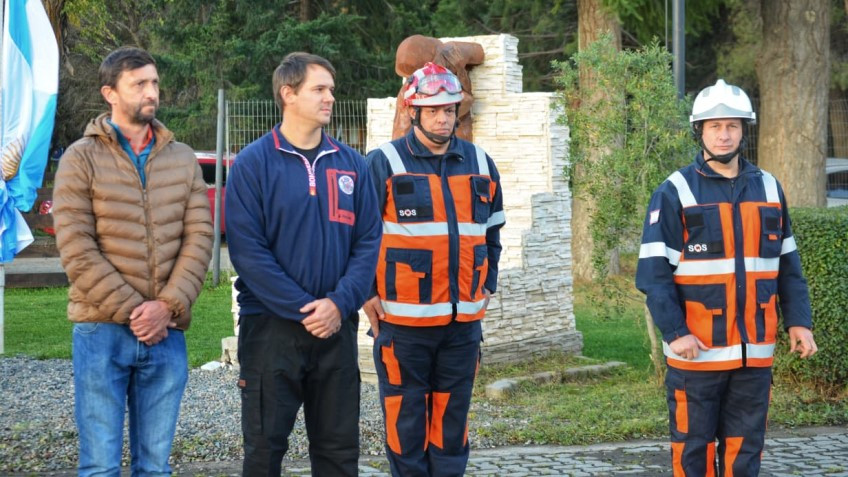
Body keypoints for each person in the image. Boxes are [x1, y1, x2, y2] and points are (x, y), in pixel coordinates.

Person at [636, 79, 818, 476]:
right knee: (693, 451)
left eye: (732, 126)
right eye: (715, 126)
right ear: (699, 131)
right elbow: (653, 274)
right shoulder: (675, 191)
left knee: (745, 451)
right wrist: (676, 333)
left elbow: (788, 268)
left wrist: (799, 322)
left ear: (743, 129)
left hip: (754, 353)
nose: (724, 134)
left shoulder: (769, 187)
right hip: (696, 352)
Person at [52, 46, 213, 476]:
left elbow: (200, 238)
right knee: (100, 466)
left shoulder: (182, 159)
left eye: (154, 82)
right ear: (109, 93)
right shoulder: (80, 158)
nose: (151, 92)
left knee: (156, 467)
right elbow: (76, 247)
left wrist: (167, 307)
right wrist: (137, 312)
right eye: (139, 83)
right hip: (101, 329)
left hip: (167, 332)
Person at [225, 52, 382, 476]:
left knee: (338, 452)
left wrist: (338, 304)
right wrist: (304, 308)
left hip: (336, 328)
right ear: (288, 94)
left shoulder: (352, 164)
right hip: (270, 329)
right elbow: (248, 251)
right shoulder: (253, 163)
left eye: (331, 89)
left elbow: (368, 242)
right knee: (264, 451)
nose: (330, 97)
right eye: (319, 89)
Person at [363, 62, 505, 477]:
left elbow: (492, 232)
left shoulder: (481, 162)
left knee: (452, 424)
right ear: (413, 112)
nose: (443, 118)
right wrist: (365, 293)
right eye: (433, 111)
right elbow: (358, 237)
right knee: (406, 424)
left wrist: (488, 283)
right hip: (403, 324)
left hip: (463, 326)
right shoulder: (384, 162)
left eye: (449, 109)